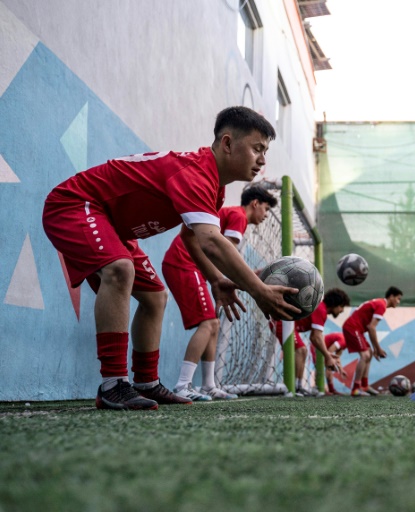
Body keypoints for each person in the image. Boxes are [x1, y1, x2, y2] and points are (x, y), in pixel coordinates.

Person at [42, 106, 300, 410]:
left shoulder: (213, 187)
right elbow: (212, 242)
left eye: (265, 151)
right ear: (228, 143)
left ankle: (146, 383)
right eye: (257, 148)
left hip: (113, 224)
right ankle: (112, 384)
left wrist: (217, 279)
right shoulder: (194, 173)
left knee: (155, 296)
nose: (262, 160)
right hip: (74, 204)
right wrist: (259, 290)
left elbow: (190, 237)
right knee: (121, 269)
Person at [163, 184, 276, 401]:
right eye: (266, 209)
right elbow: (226, 255)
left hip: (191, 266)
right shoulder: (238, 216)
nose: (265, 216)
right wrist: (250, 279)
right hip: (184, 263)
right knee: (209, 323)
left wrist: (249, 273)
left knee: (213, 323)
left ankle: (208, 385)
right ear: (255, 203)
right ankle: (183, 384)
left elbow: (224, 260)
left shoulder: (233, 215)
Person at [274, 288, 351, 396]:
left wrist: (327, 355)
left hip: (289, 325)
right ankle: (293, 388)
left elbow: (314, 337)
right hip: (283, 323)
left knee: (303, 351)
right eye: (342, 307)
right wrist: (328, 356)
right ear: (336, 304)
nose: (342, 310)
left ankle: (298, 387)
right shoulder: (320, 309)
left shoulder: (320, 308)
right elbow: (316, 337)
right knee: (301, 350)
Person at [343, 287, 403, 396]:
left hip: (357, 329)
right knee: (365, 355)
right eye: (398, 299)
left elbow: (370, 328)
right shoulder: (381, 305)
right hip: (352, 328)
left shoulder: (379, 303)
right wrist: (378, 348)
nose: (398, 302)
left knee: (369, 353)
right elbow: (371, 328)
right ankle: (355, 389)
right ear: (391, 296)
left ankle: (364, 386)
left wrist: (375, 348)